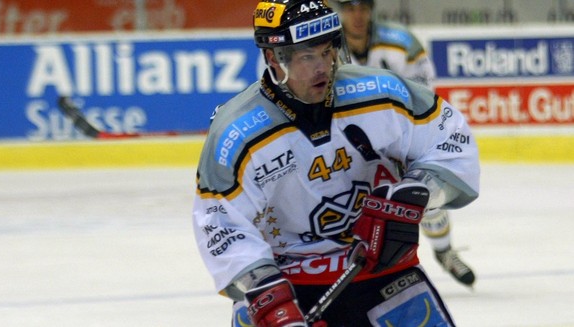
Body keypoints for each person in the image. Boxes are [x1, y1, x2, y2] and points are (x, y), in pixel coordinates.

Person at [192, 0, 480, 326]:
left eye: (328, 51)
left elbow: (451, 143)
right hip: (285, 285)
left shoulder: (382, 94)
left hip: (384, 272)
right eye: (307, 57)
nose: (323, 67)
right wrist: (265, 294)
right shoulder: (236, 133)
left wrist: (419, 192)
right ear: (273, 58)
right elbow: (221, 224)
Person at [335, 0, 476, 287]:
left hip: (398, 136)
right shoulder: (327, 47)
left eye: (362, 8)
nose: (357, 15)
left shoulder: (402, 44)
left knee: (420, 195)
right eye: (349, 9)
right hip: (350, 140)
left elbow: (422, 96)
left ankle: (444, 251)